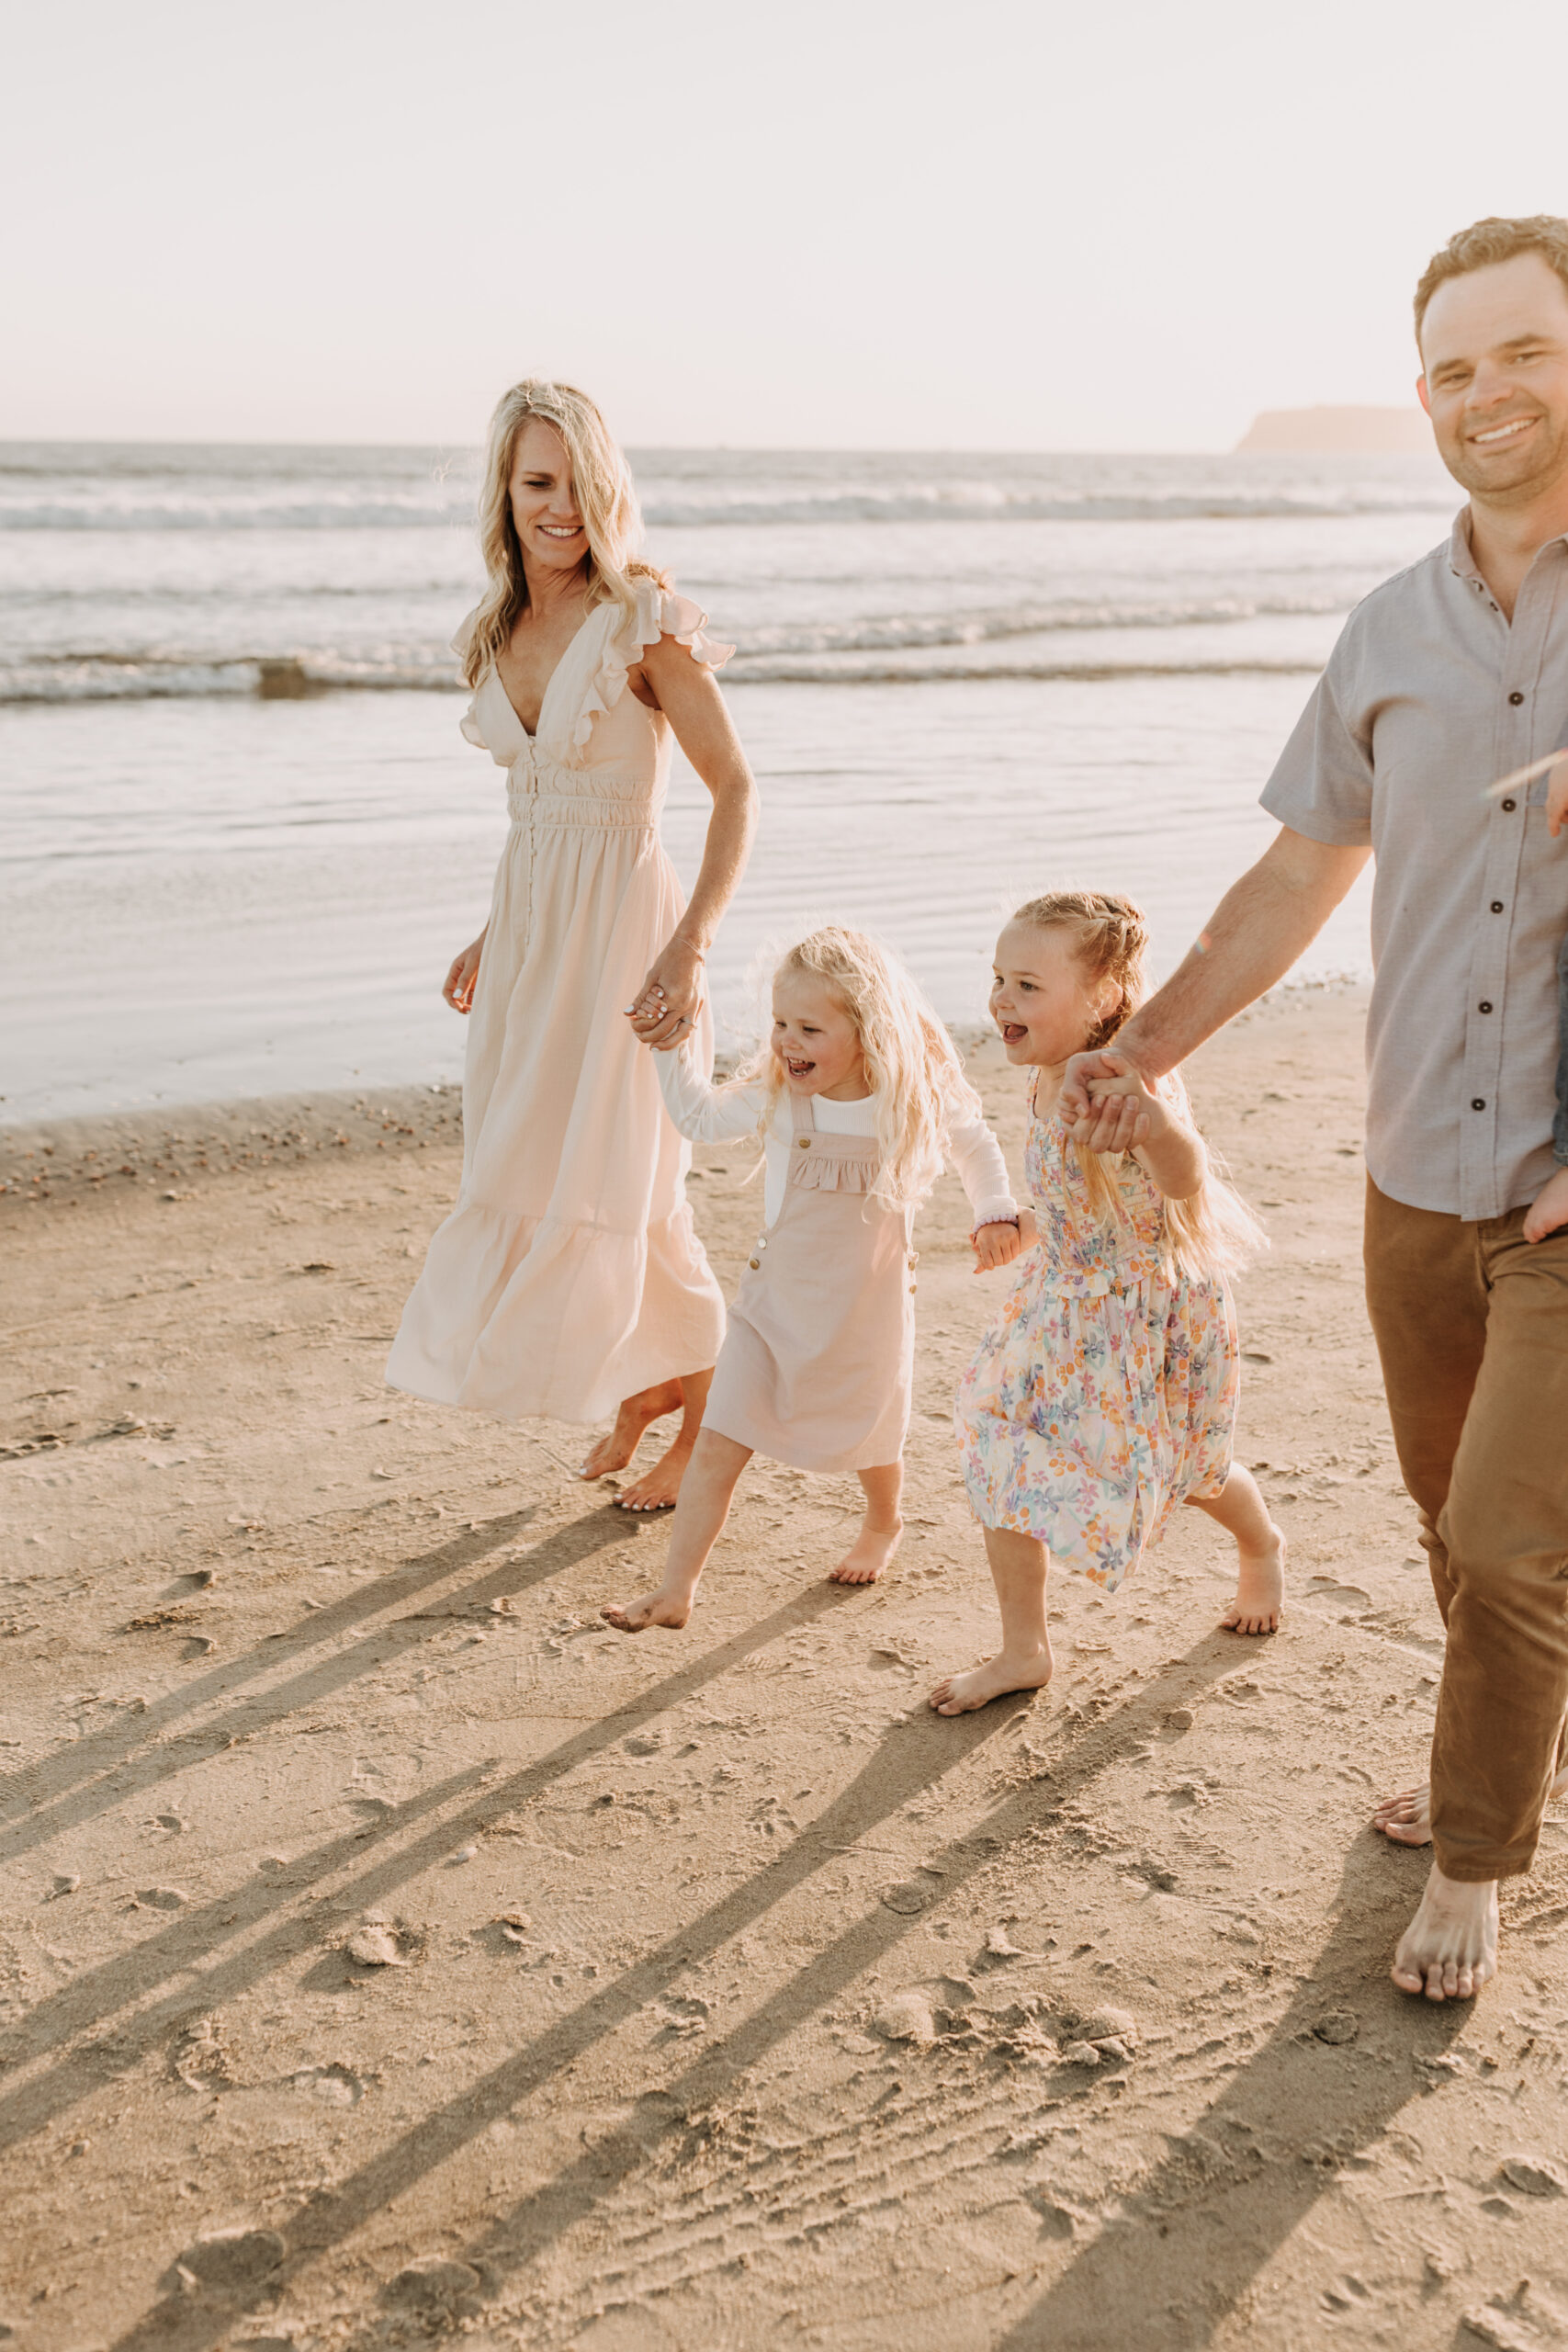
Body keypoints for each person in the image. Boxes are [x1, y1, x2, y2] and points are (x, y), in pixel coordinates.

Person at [1060, 217, 1568, 2003]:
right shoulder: (1386, 629)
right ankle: (1493, 1743)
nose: (1481, 393)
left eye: (1519, 350)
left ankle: (1476, 1855)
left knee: (1510, 1537)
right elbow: (1292, 877)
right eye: (1449, 366)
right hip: (1411, 1166)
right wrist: (1145, 1046)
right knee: (1453, 1526)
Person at [387, 379, 758, 1510]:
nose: (561, 507)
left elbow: (735, 789)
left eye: (581, 485)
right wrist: (495, 931)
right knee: (533, 1167)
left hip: (627, 942)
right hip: (534, 941)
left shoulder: (642, 618)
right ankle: (657, 1381)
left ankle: (701, 1411)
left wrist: (689, 949)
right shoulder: (497, 631)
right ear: (506, 489)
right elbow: (545, 810)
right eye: (538, 482)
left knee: (623, 1175)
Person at [601, 926, 1024, 1628]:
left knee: (873, 1426)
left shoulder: (905, 1096)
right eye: (778, 1024)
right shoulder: (777, 1094)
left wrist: (995, 1212)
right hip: (772, 1304)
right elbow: (698, 1118)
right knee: (720, 1439)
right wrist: (669, 1049)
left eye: (808, 1028)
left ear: (864, 1030)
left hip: (868, 1302)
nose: (787, 1042)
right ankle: (676, 1590)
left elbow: (973, 1146)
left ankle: (884, 1520)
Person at [930, 890, 1280, 1717]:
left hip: (1147, 1315)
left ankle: (1262, 1544)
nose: (1000, 1001)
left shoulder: (1126, 1078)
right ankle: (1025, 1649)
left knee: (1191, 1470)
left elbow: (1181, 1177)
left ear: (1101, 998)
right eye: (997, 980)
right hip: (1062, 1306)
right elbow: (1075, 1197)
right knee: (999, 1449)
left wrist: (1153, 1124)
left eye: (1025, 986)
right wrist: (1022, 1226)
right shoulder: (1050, 1073)